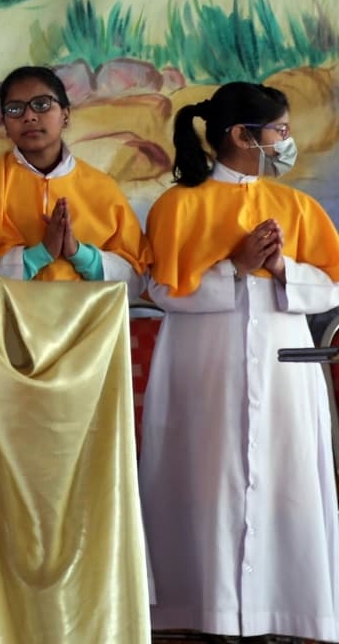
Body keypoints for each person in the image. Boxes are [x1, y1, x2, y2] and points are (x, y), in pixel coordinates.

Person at [139, 82, 339, 639]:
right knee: (204, 480)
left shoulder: (297, 206)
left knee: (287, 477)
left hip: (283, 376)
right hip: (203, 370)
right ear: (241, 135)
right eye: (279, 130)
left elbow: (331, 286)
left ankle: (287, 607)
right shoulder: (179, 206)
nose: (286, 140)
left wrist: (281, 272)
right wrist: (234, 266)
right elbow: (162, 290)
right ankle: (201, 609)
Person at [0, 65, 144, 285]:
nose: (29, 116)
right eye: (15, 109)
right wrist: (38, 255)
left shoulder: (103, 189)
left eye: (41, 105)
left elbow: (137, 279)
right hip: (11, 318)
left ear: (65, 115)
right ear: (5, 126)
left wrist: (79, 253)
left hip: (87, 318)